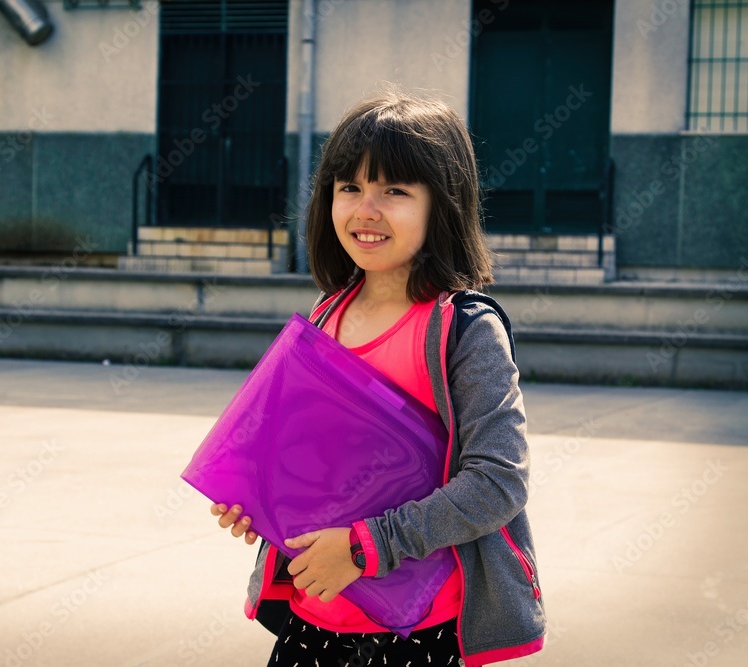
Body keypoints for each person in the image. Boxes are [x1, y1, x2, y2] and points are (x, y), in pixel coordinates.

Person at [210, 87, 546, 667]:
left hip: (418, 633)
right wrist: (260, 498)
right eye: (350, 188)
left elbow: (497, 483)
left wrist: (367, 549)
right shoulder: (324, 315)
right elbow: (304, 456)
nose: (366, 209)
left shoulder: (462, 330)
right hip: (311, 622)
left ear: (443, 205)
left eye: (394, 190)